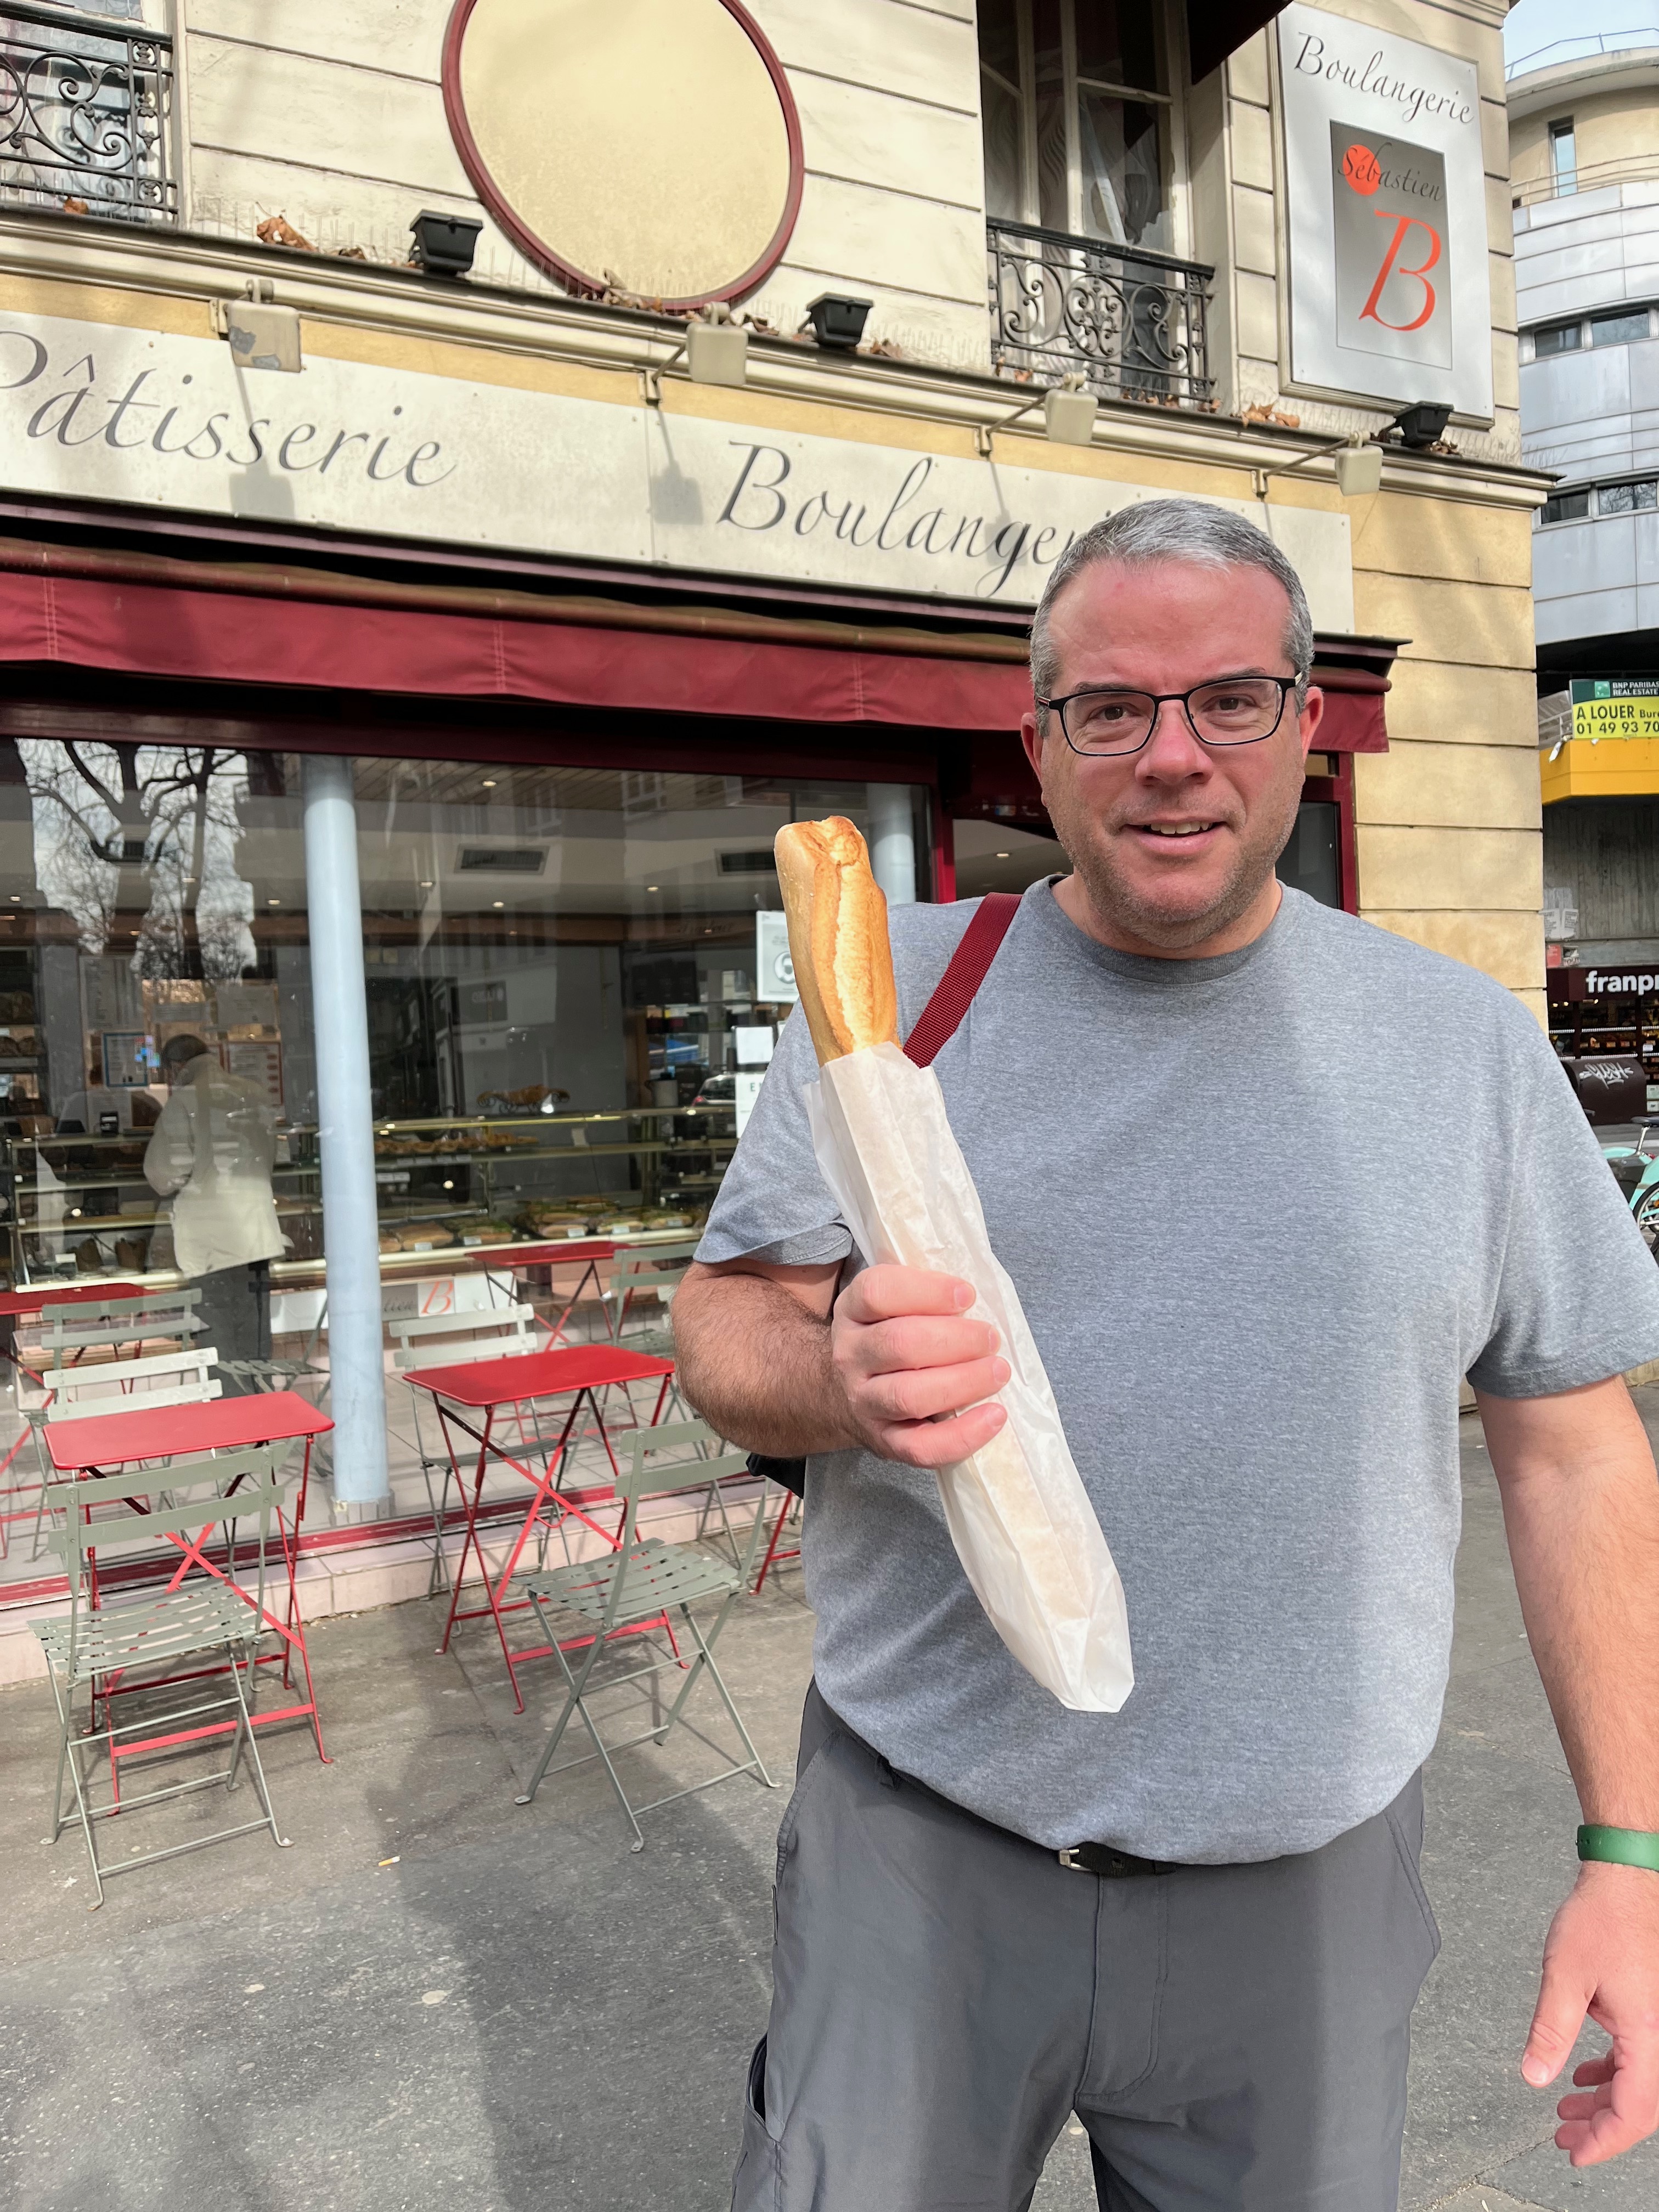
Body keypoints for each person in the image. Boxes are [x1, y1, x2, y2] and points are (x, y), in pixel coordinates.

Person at [672, 498, 1659, 2212]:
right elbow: (723, 1323)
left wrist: (1630, 1858)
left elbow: (1576, 1454)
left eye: (1230, 700)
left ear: (1306, 725)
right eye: (1112, 707)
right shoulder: (891, 999)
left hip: (1303, 1906)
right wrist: (838, 1378)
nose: (1173, 755)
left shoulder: (1462, 1052)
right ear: (1040, 749)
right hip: (921, 1848)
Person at [144, 1034, 284, 1394]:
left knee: (221, 1348)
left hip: (211, 1244)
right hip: (257, 1235)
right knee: (255, 1345)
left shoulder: (184, 1101)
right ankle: (265, 1417)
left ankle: (234, 1422)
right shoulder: (255, 1094)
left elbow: (163, 1175)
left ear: (176, 1067)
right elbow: (271, 1157)